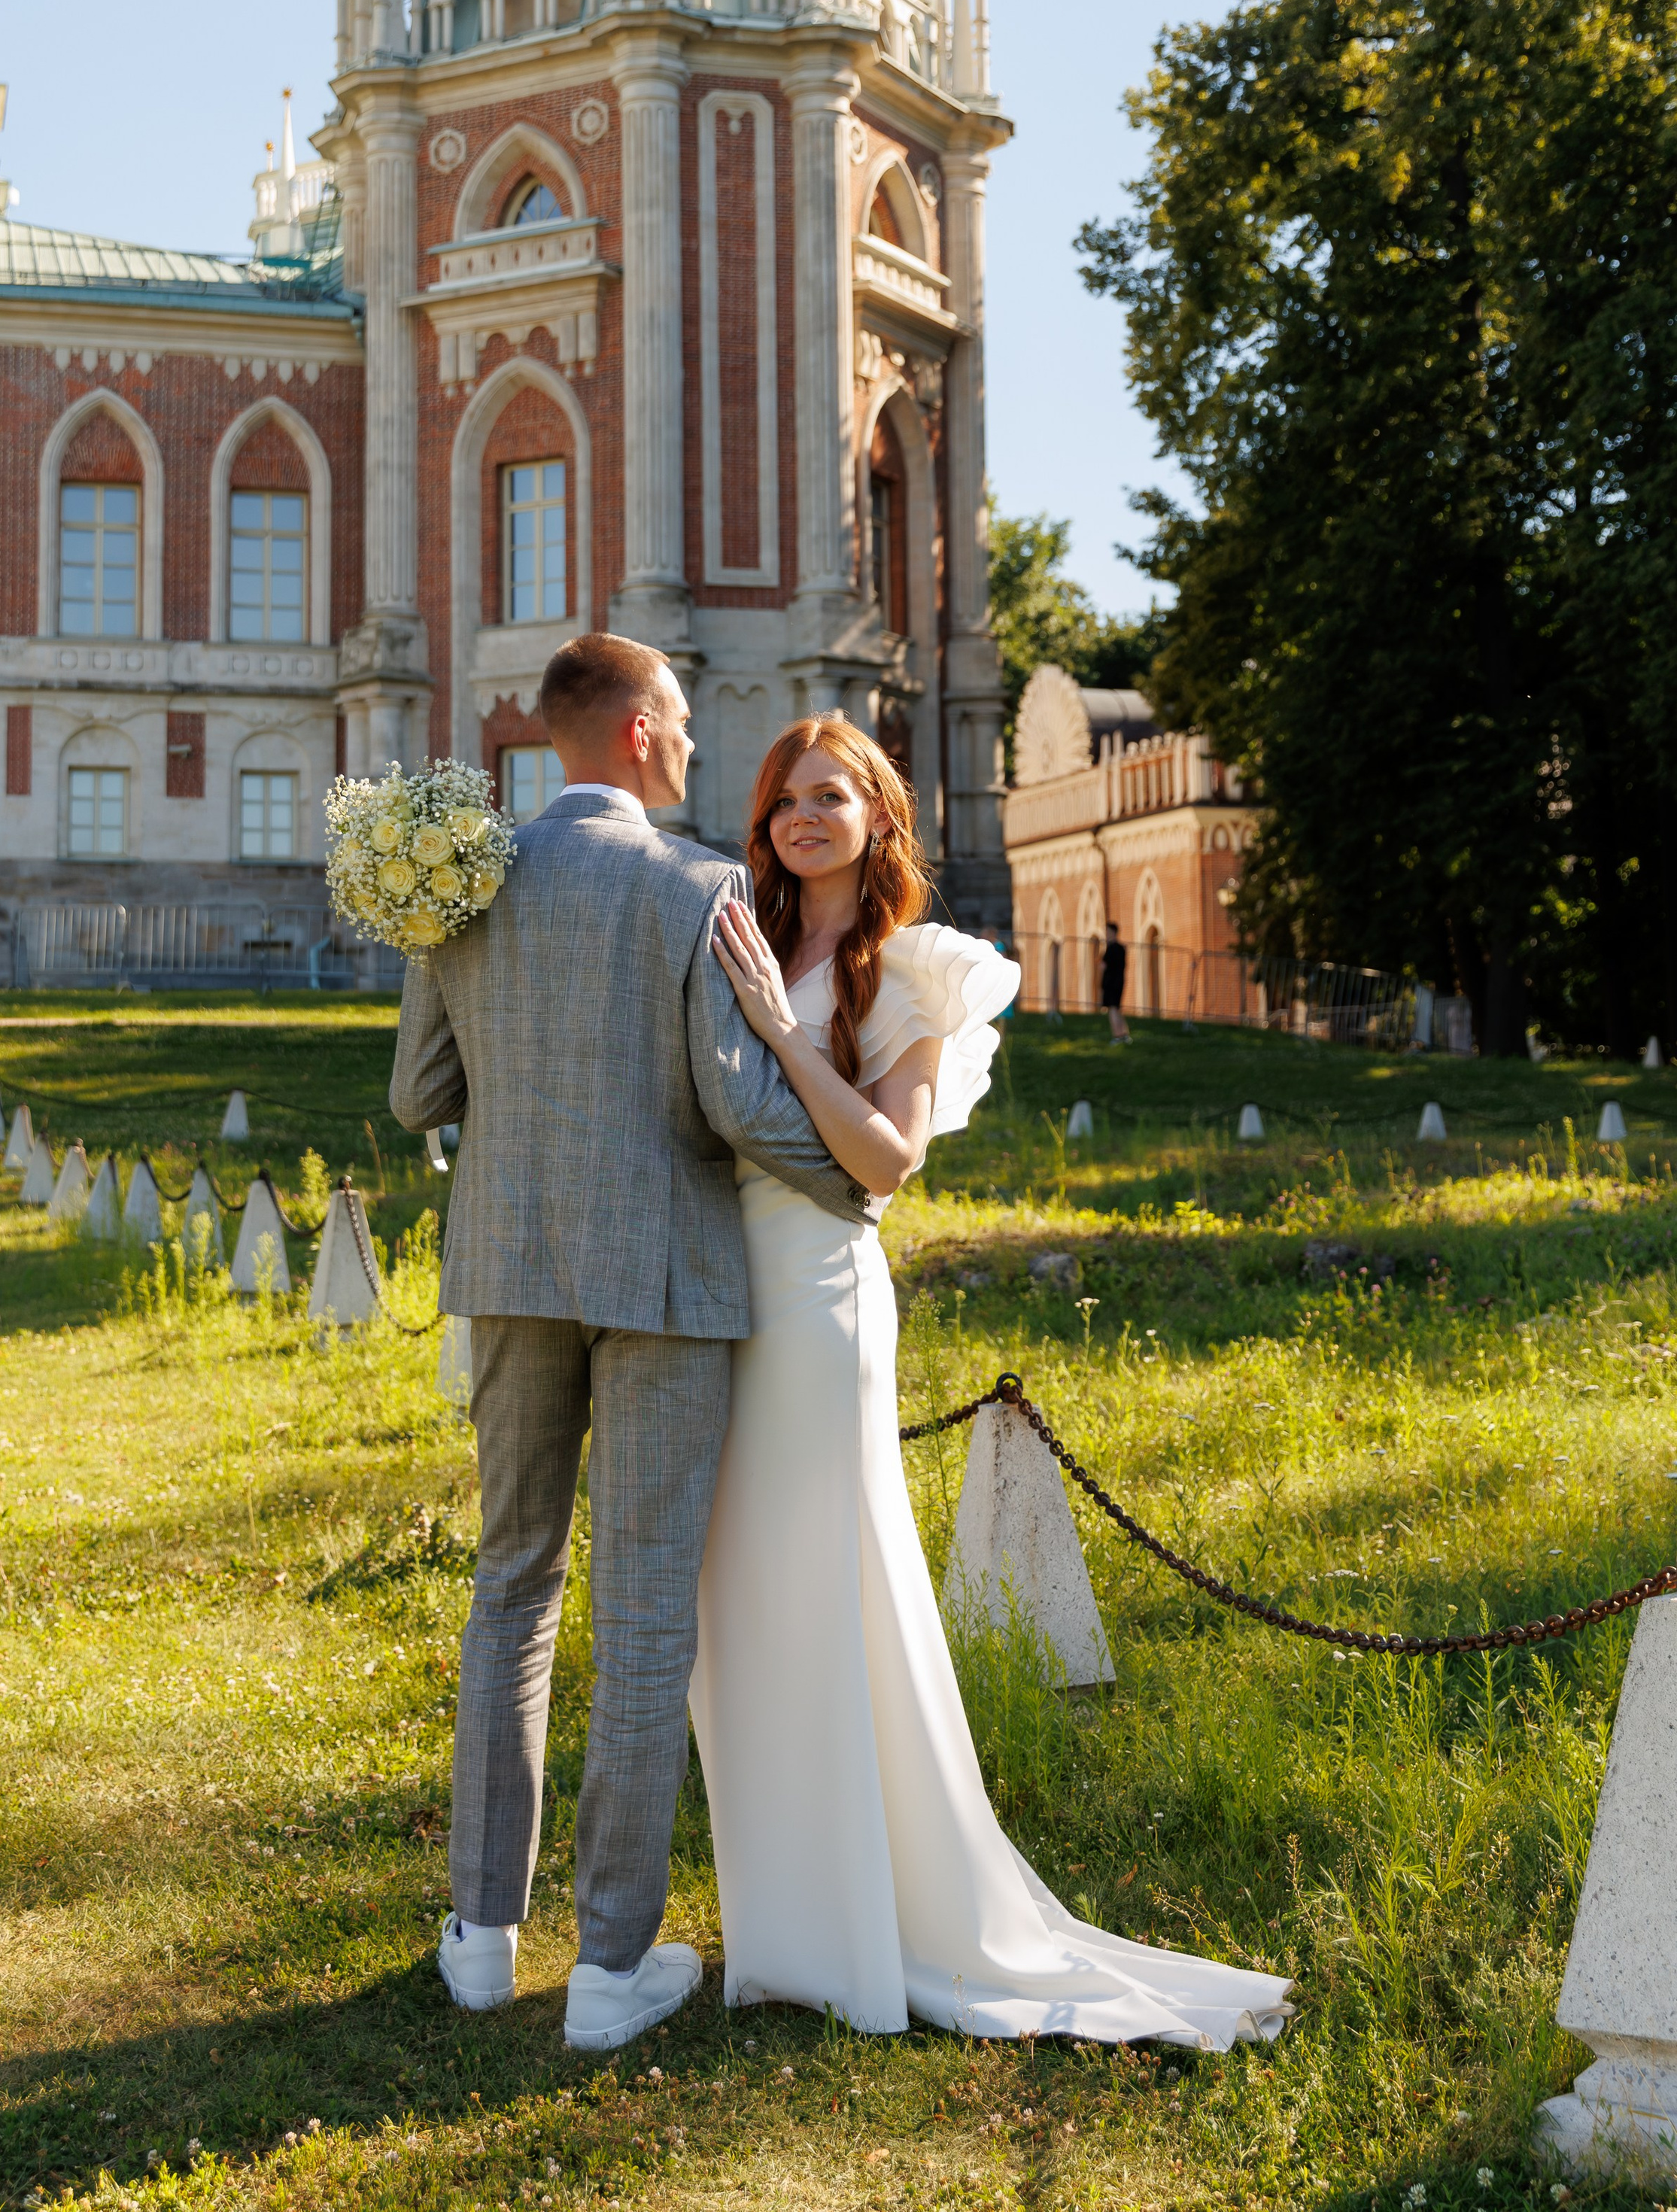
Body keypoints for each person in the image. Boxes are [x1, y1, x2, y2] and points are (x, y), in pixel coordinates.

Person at [697, 716, 1290, 2049]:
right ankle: (786, 1924)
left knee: (833, 1592)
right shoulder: (746, 935)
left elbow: (885, 1160)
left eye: (830, 795)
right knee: (744, 1603)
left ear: (876, 814)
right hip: (721, 1299)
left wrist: (779, 1038)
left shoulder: (902, 970)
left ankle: (879, 1921)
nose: (804, 817)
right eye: (786, 797)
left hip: (817, 1300)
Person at [388, 634, 870, 2056]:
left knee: (511, 1584)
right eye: (687, 731)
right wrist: (865, 1173)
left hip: (507, 1269)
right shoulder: (697, 886)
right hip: (664, 1276)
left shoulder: (459, 881)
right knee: (645, 1606)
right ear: (652, 734)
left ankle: (480, 1939)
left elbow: (423, 1094)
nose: (698, 755)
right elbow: (736, 1106)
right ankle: (610, 1966)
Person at [1101, 918, 1130, 1044]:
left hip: (1110, 982)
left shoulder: (1111, 948)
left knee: (1112, 1009)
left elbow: (1103, 966)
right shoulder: (1122, 948)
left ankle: (1117, 1036)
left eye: (1107, 931)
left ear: (1112, 932)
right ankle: (1124, 1034)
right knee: (1117, 1009)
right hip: (1120, 981)